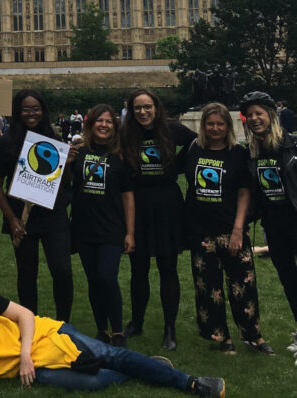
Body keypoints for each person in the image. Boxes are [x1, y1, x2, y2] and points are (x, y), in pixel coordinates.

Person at [0, 237, 226, 397]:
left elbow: (24, 315)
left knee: (110, 354)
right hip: (31, 370)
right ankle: (150, 367)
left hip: (48, 338)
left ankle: (191, 382)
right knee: (99, 379)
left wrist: (24, 355)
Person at [183, 102, 273, 355]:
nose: (215, 128)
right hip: (201, 231)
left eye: (220, 124)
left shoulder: (238, 153)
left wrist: (238, 229)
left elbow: (245, 192)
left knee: (243, 284)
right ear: (203, 126)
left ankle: (253, 334)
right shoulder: (193, 149)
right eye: (210, 123)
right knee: (209, 286)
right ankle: (220, 335)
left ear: (228, 126)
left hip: (231, 229)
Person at [0, 89, 75, 321]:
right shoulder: (6, 142)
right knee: (27, 273)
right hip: (21, 218)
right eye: (26, 109)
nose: (31, 113)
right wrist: (12, 219)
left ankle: (64, 323)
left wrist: (67, 164)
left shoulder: (53, 140)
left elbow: (62, 180)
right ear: (18, 112)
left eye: (36, 108)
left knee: (62, 270)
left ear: (43, 111)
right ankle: (30, 323)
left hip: (52, 215)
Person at [119, 88, 196, 350]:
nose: (143, 112)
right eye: (137, 108)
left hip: (167, 204)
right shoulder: (126, 133)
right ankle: (137, 321)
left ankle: (169, 328)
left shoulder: (172, 129)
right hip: (136, 204)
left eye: (147, 107)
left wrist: (179, 163)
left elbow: (197, 143)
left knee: (167, 267)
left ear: (156, 108)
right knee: (138, 268)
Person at [70, 104, 134, 348]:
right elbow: (66, 185)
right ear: (90, 124)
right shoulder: (78, 152)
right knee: (93, 280)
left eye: (109, 121)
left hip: (112, 228)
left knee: (108, 277)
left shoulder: (121, 156)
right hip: (84, 227)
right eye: (100, 121)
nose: (104, 125)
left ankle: (118, 330)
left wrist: (130, 232)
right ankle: (102, 329)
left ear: (114, 127)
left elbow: (128, 196)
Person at [241, 91, 297, 348]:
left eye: (259, 114)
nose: (254, 118)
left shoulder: (291, 146)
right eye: (250, 115)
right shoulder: (253, 152)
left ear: (271, 115)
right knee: (288, 279)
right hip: (274, 226)